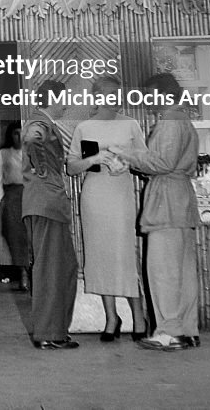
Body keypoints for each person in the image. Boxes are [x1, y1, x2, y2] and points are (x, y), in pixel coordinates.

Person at [109, 71, 200, 353]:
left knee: (163, 271)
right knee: (182, 272)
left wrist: (126, 154)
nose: (147, 101)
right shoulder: (182, 119)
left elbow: (160, 162)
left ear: (162, 94)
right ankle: (187, 330)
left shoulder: (170, 122)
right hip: (180, 200)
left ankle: (169, 332)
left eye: (149, 95)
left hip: (167, 202)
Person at [66, 77, 149, 341]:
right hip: (94, 193)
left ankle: (139, 316)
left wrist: (129, 163)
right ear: (97, 96)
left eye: (118, 94)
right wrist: (94, 158)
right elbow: (71, 167)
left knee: (124, 253)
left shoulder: (131, 124)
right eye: (109, 94)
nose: (114, 98)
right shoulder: (85, 127)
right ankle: (111, 317)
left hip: (120, 193)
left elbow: (145, 162)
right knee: (99, 255)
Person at [21, 79, 79, 350]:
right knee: (51, 270)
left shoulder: (44, 123)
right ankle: (48, 333)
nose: (66, 104)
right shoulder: (39, 123)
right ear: (54, 98)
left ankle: (55, 330)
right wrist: (43, 170)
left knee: (62, 267)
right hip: (46, 204)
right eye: (64, 99)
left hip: (47, 204)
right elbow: (32, 140)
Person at [0, 122, 30, 291]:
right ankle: (23, 273)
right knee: (17, 239)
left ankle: (35, 274)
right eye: (15, 133)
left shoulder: (33, 153)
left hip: (32, 197)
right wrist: (3, 199)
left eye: (22, 133)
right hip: (12, 200)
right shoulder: (2, 154)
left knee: (32, 237)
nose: (19, 137)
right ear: (10, 135)